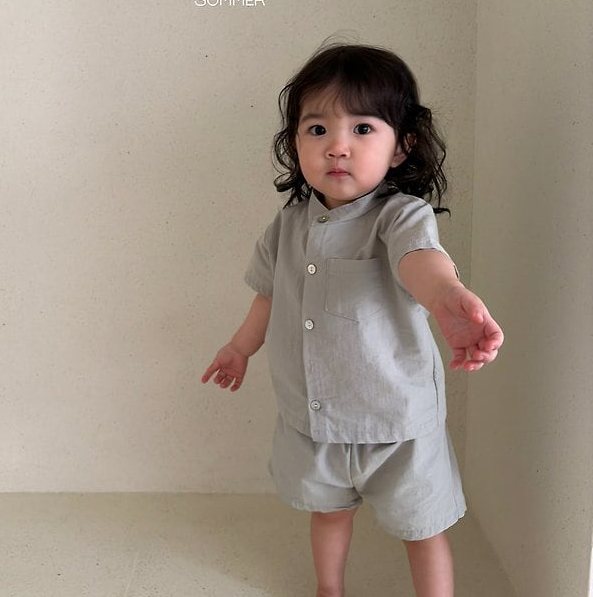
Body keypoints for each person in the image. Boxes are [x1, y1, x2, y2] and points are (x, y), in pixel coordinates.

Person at [201, 44, 504, 597]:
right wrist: (239, 348)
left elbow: (420, 262)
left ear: (401, 146)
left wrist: (447, 296)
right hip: (315, 418)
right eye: (317, 129)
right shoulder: (288, 225)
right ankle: (329, 589)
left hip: (396, 422)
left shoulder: (399, 216)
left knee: (422, 527)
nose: (337, 146)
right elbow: (269, 295)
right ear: (295, 143)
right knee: (329, 512)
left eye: (362, 129)